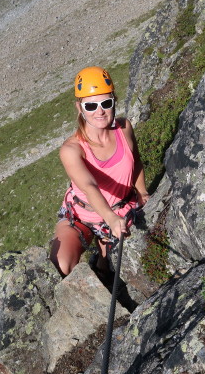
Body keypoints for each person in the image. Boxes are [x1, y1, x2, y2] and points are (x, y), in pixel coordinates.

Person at [50, 66, 150, 277]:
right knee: (62, 266)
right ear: (79, 107)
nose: (99, 111)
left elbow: (136, 160)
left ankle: (102, 260)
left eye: (106, 103)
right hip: (82, 214)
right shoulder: (72, 149)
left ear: (114, 100)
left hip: (121, 210)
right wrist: (110, 217)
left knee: (112, 272)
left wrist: (141, 191)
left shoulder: (124, 128)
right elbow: (89, 186)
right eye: (91, 105)